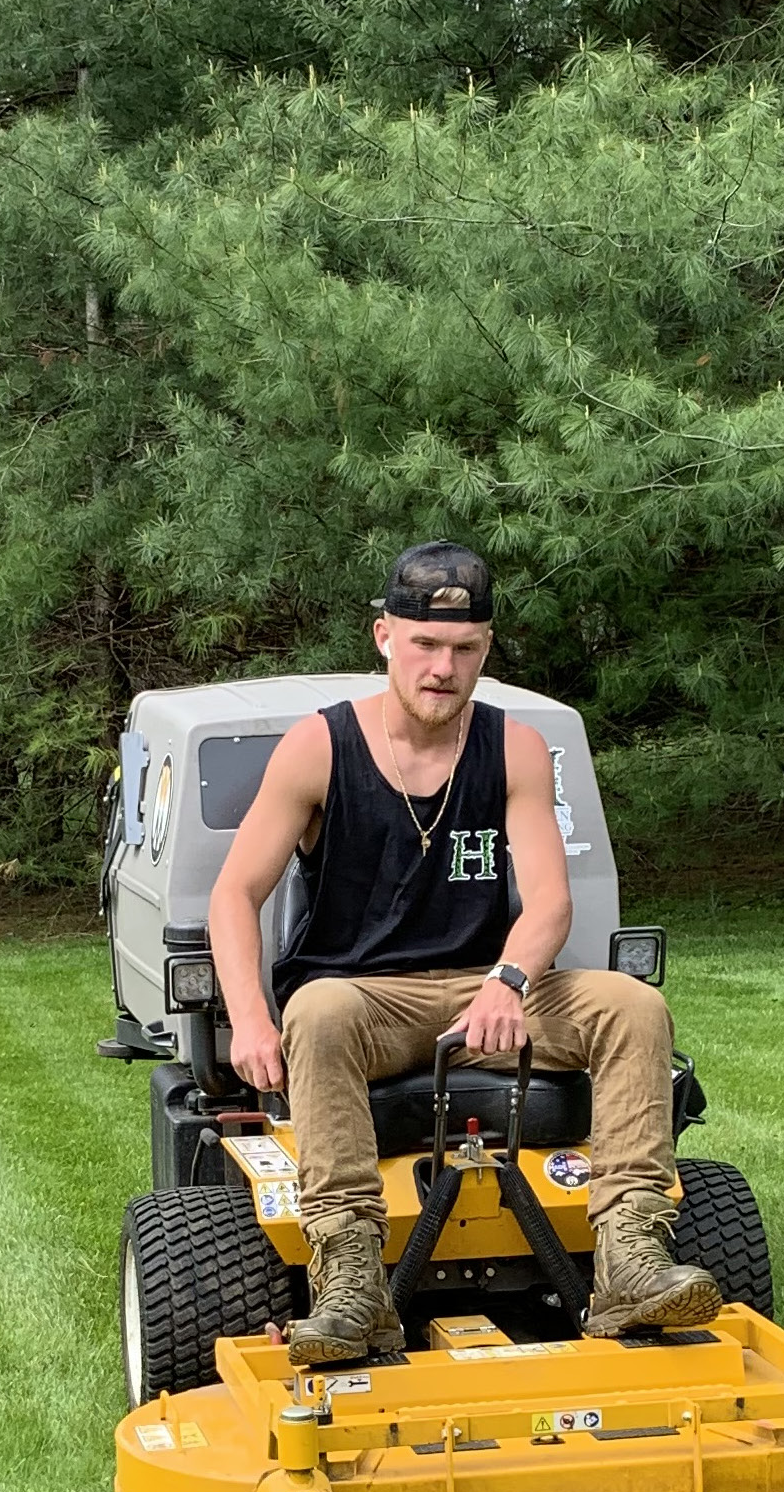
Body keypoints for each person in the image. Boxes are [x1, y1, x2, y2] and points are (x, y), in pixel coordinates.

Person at [208, 540, 724, 1362]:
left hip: (490, 990)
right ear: (383, 637)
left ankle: (630, 1255)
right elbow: (233, 896)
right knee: (317, 1007)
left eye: (464, 649)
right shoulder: (319, 748)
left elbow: (549, 900)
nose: (442, 668)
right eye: (424, 645)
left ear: (484, 648)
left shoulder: (512, 749)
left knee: (633, 1004)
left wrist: (508, 982)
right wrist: (247, 1019)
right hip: (367, 998)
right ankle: (350, 1283)